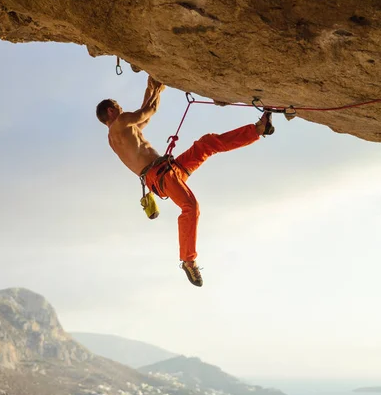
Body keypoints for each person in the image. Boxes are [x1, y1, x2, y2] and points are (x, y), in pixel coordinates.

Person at [96, 76, 274, 287]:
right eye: (118, 106)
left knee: (206, 144)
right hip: (161, 175)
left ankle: (258, 130)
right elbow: (147, 111)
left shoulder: (117, 134)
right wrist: (156, 84)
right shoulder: (121, 121)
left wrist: (153, 87)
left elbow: (146, 117)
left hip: (165, 173)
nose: (122, 108)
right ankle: (188, 260)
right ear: (111, 111)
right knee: (190, 207)